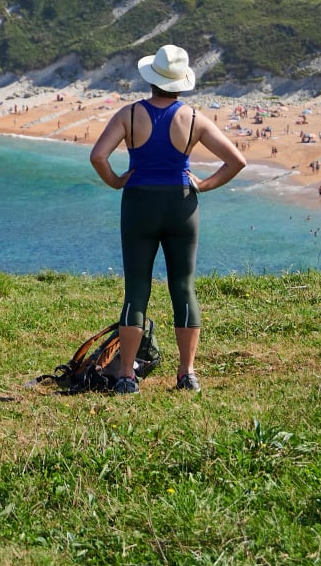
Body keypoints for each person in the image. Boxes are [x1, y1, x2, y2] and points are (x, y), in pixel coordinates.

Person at [88, 44, 247, 394]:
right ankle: (187, 374)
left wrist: (116, 181)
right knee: (183, 287)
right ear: (180, 83)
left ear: (151, 78)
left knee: (136, 289)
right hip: (181, 204)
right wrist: (204, 185)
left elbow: (98, 156)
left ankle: (126, 376)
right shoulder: (194, 118)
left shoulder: (129, 115)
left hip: (139, 204)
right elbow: (237, 161)